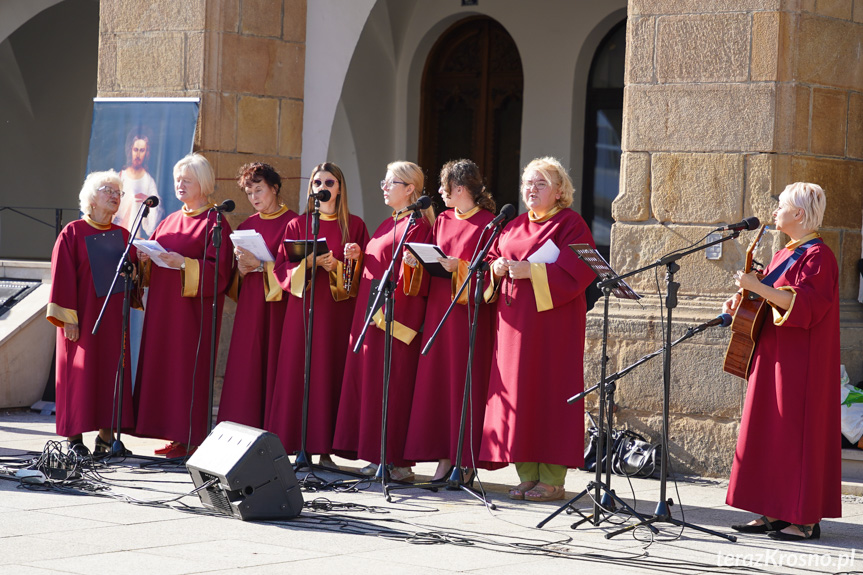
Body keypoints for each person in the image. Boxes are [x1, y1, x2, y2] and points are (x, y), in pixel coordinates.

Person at [724, 182, 841, 541]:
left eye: (781, 206)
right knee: (769, 432)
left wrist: (756, 287)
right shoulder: (784, 253)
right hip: (773, 354)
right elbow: (768, 299)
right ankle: (773, 512)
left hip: (799, 362)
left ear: (799, 215)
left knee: (793, 435)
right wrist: (741, 299)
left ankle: (803, 520)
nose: (775, 211)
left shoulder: (819, 256)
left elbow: (804, 307)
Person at [480, 157, 596, 502]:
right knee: (519, 396)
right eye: (528, 183)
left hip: (553, 327)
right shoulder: (512, 225)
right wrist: (497, 267)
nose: (531, 189)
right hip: (513, 326)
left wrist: (532, 271)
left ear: (560, 191)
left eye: (541, 183)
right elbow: (489, 260)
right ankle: (527, 475)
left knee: (549, 394)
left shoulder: (571, 225)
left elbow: (580, 271)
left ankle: (553, 479)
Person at [332, 161, 434, 481]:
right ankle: (377, 456)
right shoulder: (388, 223)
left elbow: (418, 277)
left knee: (394, 387)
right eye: (384, 182)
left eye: (391, 183)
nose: (385, 188)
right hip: (372, 314)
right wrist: (356, 257)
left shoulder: (418, 226)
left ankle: (397, 462)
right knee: (373, 388)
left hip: (392, 321)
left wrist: (390, 317)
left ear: (410, 189)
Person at [403, 159, 500, 482]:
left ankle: (465, 460)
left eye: (445, 188)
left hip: (468, 318)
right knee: (439, 387)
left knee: (463, 385)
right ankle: (444, 457)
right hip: (438, 314)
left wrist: (458, 266)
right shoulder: (442, 219)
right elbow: (431, 256)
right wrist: (414, 262)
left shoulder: (489, 223)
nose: (441, 193)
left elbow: (488, 272)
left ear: (460, 189)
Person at [133, 153, 234, 459]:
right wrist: (146, 259)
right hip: (163, 309)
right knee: (164, 367)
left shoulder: (215, 222)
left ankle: (191, 438)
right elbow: (154, 259)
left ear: (203, 183)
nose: (179, 184)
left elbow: (222, 272)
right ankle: (174, 436)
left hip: (192, 314)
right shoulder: (170, 219)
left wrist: (185, 264)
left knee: (185, 370)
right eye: (177, 179)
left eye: (186, 180)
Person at [269, 163, 369, 468]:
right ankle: (300, 446)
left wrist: (346, 262)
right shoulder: (298, 225)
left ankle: (325, 451)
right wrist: (311, 263)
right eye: (317, 182)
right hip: (303, 312)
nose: (322, 186)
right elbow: (281, 269)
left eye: (329, 181)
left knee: (330, 373)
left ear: (339, 188)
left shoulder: (354, 225)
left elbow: (364, 275)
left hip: (337, 314)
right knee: (301, 372)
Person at [47, 171, 137, 455]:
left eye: (118, 193)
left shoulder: (123, 236)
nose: (114, 196)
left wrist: (137, 270)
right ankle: (74, 441)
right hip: (81, 319)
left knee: (110, 374)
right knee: (78, 375)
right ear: (90, 197)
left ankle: (106, 438)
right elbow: (61, 278)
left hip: (113, 320)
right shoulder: (72, 233)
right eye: (107, 190)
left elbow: (132, 279)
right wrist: (68, 320)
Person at [216, 163, 296, 429]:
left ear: (274, 188)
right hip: (250, 305)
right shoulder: (248, 224)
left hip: (278, 308)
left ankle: (274, 431)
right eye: (249, 193)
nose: (254, 198)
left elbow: (295, 271)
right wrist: (242, 267)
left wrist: (262, 266)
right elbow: (238, 277)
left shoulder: (293, 223)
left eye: (259, 190)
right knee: (246, 366)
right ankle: (240, 429)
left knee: (271, 365)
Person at [113, 133, 164, 237]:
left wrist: (149, 200)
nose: (138, 155)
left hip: (135, 234)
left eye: (142, 150)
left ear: (146, 152)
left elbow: (156, 211)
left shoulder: (149, 181)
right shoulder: (120, 176)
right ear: (130, 150)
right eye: (136, 150)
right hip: (116, 231)